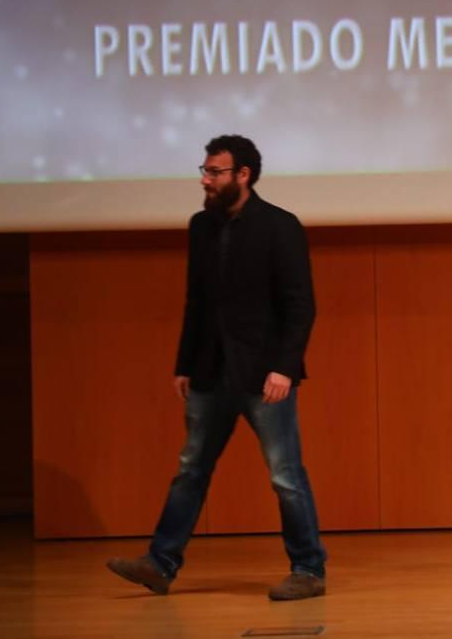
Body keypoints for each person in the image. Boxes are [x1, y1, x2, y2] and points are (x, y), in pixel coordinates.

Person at [106, 134, 327, 601]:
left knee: (285, 475)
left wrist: (284, 368)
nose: (205, 180)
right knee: (191, 469)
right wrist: (184, 362)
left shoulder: (279, 226)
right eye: (204, 171)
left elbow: (300, 305)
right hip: (210, 371)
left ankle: (308, 569)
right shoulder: (201, 226)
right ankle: (160, 563)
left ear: (242, 175)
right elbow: (196, 301)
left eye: (214, 172)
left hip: (263, 375)